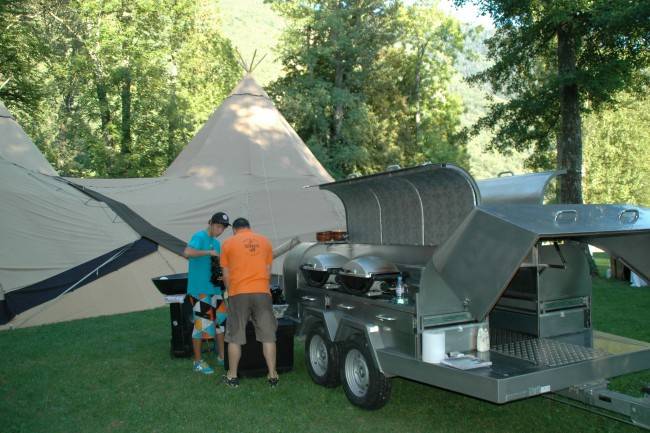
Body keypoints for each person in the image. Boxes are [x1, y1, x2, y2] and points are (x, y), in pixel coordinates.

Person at [220, 217, 277, 387]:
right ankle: (273, 375)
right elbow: (268, 270)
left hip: (238, 292)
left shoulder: (228, 243)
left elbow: (226, 274)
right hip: (262, 291)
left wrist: (230, 292)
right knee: (268, 335)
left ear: (234, 230)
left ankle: (232, 376)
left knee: (235, 336)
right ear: (249, 228)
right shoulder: (265, 241)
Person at [184, 211, 230, 375]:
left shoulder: (217, 243)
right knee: (202, 325)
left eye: (223, 228)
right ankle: (197, 362)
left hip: (215, 289)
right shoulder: (200, 236)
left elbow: (217, 267)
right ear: (210, 223)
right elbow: (187, 253)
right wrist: (207, 252)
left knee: (219, 323)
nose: (220, 230)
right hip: (200, 290)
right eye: (218, 226)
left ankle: (222, 356)